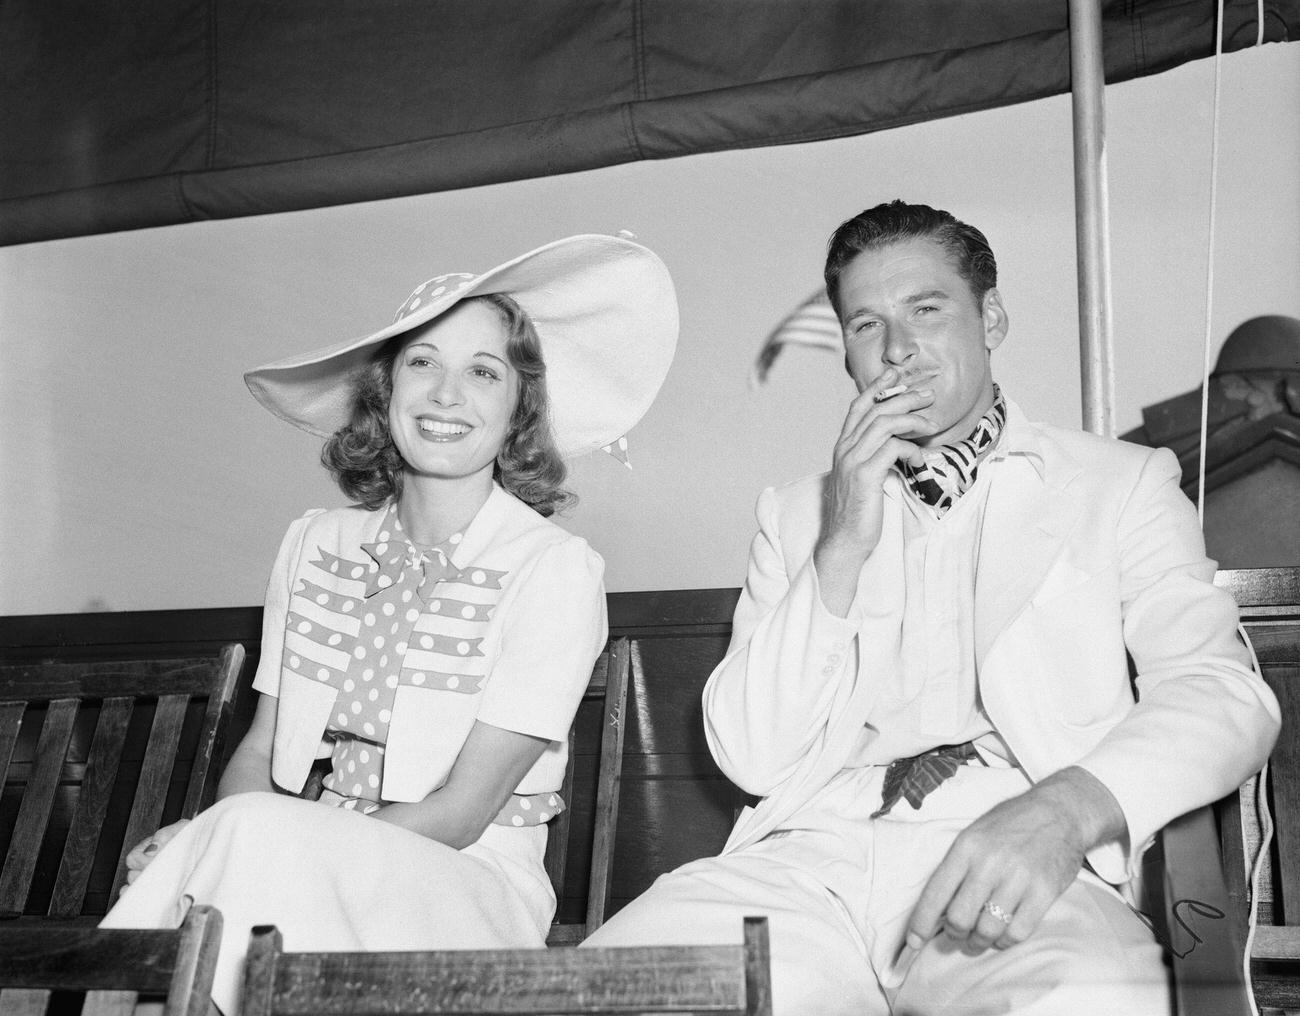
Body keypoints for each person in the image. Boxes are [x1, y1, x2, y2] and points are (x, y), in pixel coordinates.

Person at [582, 201, 1281, 1015]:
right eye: (865, 324)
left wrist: (1063, 813)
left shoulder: (1118, 484)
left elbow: (1224, 692)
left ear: (990, 317)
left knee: (1080, 1004)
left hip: (1016, 858)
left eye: (926, 309)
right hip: (810, 862)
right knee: (606, 993)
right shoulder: (795, 514)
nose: (897, 349)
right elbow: (750, 756)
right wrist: (840, 540)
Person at [101, 233, 678, 1013]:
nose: (447, 394)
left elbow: (462, 810)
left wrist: (220, 841)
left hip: (469, 880)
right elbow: (264, 751)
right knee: (237, 862)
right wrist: (232, 833)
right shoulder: (315, 544)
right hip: (306, 861)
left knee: (224, 870)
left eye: (483, 371)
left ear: (517, 411)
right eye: (422, 362)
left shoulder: (553, 569)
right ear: (384, 392)